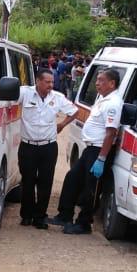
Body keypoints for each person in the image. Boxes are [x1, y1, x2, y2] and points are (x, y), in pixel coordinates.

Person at [50, 68, 123, 235]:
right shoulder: (102, 98)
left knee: (92, 187)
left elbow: (111, 132)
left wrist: (102, 159)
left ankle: (84, 223)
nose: (97, 83)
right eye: (97, 80)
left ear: (112, 83)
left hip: (99, 150)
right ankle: (65, 215)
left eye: (101, 80)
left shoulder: (113, 103)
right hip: (90, 149)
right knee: (72, 178)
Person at [17, 68, 85, 228]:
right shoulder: (25, 93)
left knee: (45, 183)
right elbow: (6, 98)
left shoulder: (57, 97)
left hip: (48, 147)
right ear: (38, 81)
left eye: (52, 82)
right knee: (27, 182)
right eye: (47, 82)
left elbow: (74, 111)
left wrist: (62, 124)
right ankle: (26, 215)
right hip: (28, 146)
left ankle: (40, 217)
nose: (51, 85)